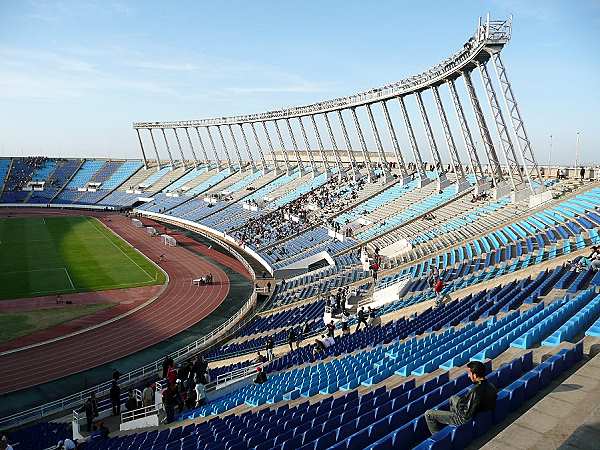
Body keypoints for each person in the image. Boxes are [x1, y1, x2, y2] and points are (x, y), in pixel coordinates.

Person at [424, 361, 498, 434]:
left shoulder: (476, 391)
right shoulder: (490, 385)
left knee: (428, 414)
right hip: (479, 411)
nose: (468, 376)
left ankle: (437, 436)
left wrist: (460, 405)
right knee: (453, 398)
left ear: (474, 375)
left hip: (464, 419)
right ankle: (451, 421)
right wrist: (462, 402)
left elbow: (466, 415)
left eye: (469, 374)